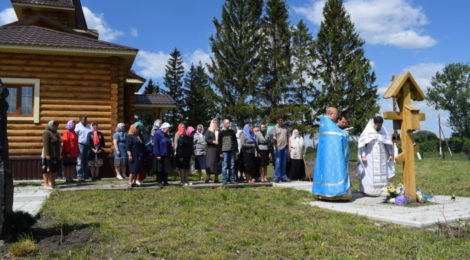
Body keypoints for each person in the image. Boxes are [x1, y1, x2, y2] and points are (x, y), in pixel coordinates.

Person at [312, 107, 351, 200]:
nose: (337, 116)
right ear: (330, 114)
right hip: (333, 156)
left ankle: (322, 192)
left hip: (325, 156)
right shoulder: (329, 124)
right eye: (336, 114)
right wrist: (345, 133)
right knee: (335, 171)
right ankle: (336, 193)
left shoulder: (324, 124)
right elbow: (338, 135)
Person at [357, 116, 395, 196]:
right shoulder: (368, 131)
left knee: (382, 172)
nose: (379, 127)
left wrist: (391, 154)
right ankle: (369, 190)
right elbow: (362, 144)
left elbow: (388, 143)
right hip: (370, 155)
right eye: (377, 125)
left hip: (382, 156)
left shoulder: (383, 131)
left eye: (380, 125)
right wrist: (363, 155)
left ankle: (382, 189)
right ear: (374, 123)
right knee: (370, 173)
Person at [269, 115, 290, 183]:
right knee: (278, 162)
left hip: (285, 147)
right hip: (277, 148)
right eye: (279, 120)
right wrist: (273, 137)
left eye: (282, 120)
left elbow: (288, 138)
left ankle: (283, 176)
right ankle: (277, 177)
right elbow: (269, 137)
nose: (280, 121)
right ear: (277, 121)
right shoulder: (274, 128)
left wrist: (289, 146)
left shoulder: (286, 128)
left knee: (284, 163)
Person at [42, 120, 61, 189]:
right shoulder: (47, 132)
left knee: (53, 169)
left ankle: (52, 183)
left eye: (57, 125)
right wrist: (47, 154)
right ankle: (46, 183)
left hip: (55, 154)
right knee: (47, 169)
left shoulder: (56, 133)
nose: (57, 127)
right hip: (48, 154)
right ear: (51, 125)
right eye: (55, 125)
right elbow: (45, 144)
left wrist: (59, 154)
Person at [219, 119, 237, 184]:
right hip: (224, 151)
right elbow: (219, 143)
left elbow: (235, 141)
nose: (228, 124)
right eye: (227, 123)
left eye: (229, 123)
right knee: (224, 166)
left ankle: (231, 179)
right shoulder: (221, 132)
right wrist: (220, 152)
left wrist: (236, 150)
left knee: (232, 166)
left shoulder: (232, 132)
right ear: (223, 124)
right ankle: (224, 180)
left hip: (232, 151)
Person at [127, 123, 145, 188]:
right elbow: (128, 147)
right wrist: (129, 155)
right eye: (136, 128)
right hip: (133, 155)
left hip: (139, 155)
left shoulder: (138, 136)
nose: (138, 129)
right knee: (133, 169)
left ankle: (134, 182)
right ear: (133, 129)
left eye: (138, 128)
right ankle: (130, 182)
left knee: (137, 169)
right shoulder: (129, 136)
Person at [75, 115, 91, 181]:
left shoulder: (88, 126)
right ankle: (79, 175)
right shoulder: (77, 126)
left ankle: (85, 175)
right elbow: (75, 135)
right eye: (84, 119)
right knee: (79, 160)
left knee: (86, 160)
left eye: (86, 119)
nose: (85, 120)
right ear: (80, 119)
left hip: (87, 145)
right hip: (80, 144)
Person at [205, 119, 220, 183]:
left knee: (217, 164)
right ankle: (208, 177)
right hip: (210, 149)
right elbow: (206, 139)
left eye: (216, 123)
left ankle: (216, 178)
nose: (215, 124)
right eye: (214, 122)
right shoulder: (208, 131)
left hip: (217, 149)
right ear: (211, 123)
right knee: (210, 164)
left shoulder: (219, 131)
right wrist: (213, 141)